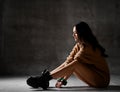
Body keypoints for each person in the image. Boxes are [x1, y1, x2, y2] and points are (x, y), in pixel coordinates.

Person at [26, 21, 110, 90]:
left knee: (76, 63)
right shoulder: (79, 45)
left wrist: (57, 79)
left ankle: (44, 79)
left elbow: (74, 65)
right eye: (73, 33)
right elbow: (68, 62)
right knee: (72, 62)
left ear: (82, 34)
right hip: (93, 78)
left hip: (101, 81)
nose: (73, 35)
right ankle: (44, 78)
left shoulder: (88, 48)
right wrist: (62, 80)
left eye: (75, 33)